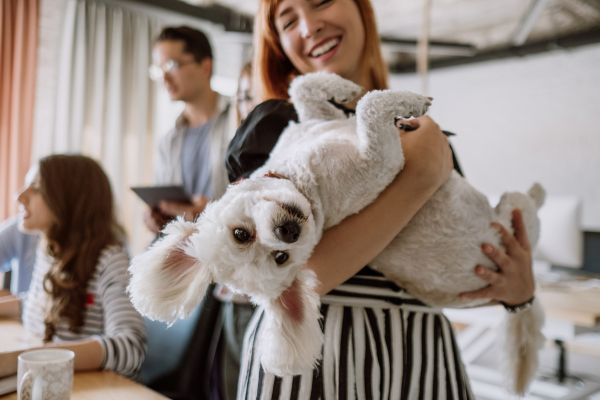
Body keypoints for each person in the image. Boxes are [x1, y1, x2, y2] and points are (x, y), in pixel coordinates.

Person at [226, 0, 536, 398]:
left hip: (425, 358)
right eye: (288, 21)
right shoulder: (275, 128)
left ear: (362, 10)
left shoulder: (426, 134)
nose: (309, 26)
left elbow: (453, 268)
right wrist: (417, 179)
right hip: (317, 360)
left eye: (321, 1)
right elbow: (275, 277)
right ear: (279, 45)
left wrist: (518, 293)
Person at [0, 155, 146, 380]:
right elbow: (38, 305)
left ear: (69, 201)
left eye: (36, 189)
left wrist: (27, 358)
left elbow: (131, 346)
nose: (19, 196)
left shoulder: (110, 260)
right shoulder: (50, 250)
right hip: (52, 380)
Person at [144, 26, 232, 233]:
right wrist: (156, 218)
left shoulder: (240, 121)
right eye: (158, 70)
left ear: (205, 67)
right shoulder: (168, 140)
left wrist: (213, 214)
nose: (164, 78)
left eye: (171, 65)